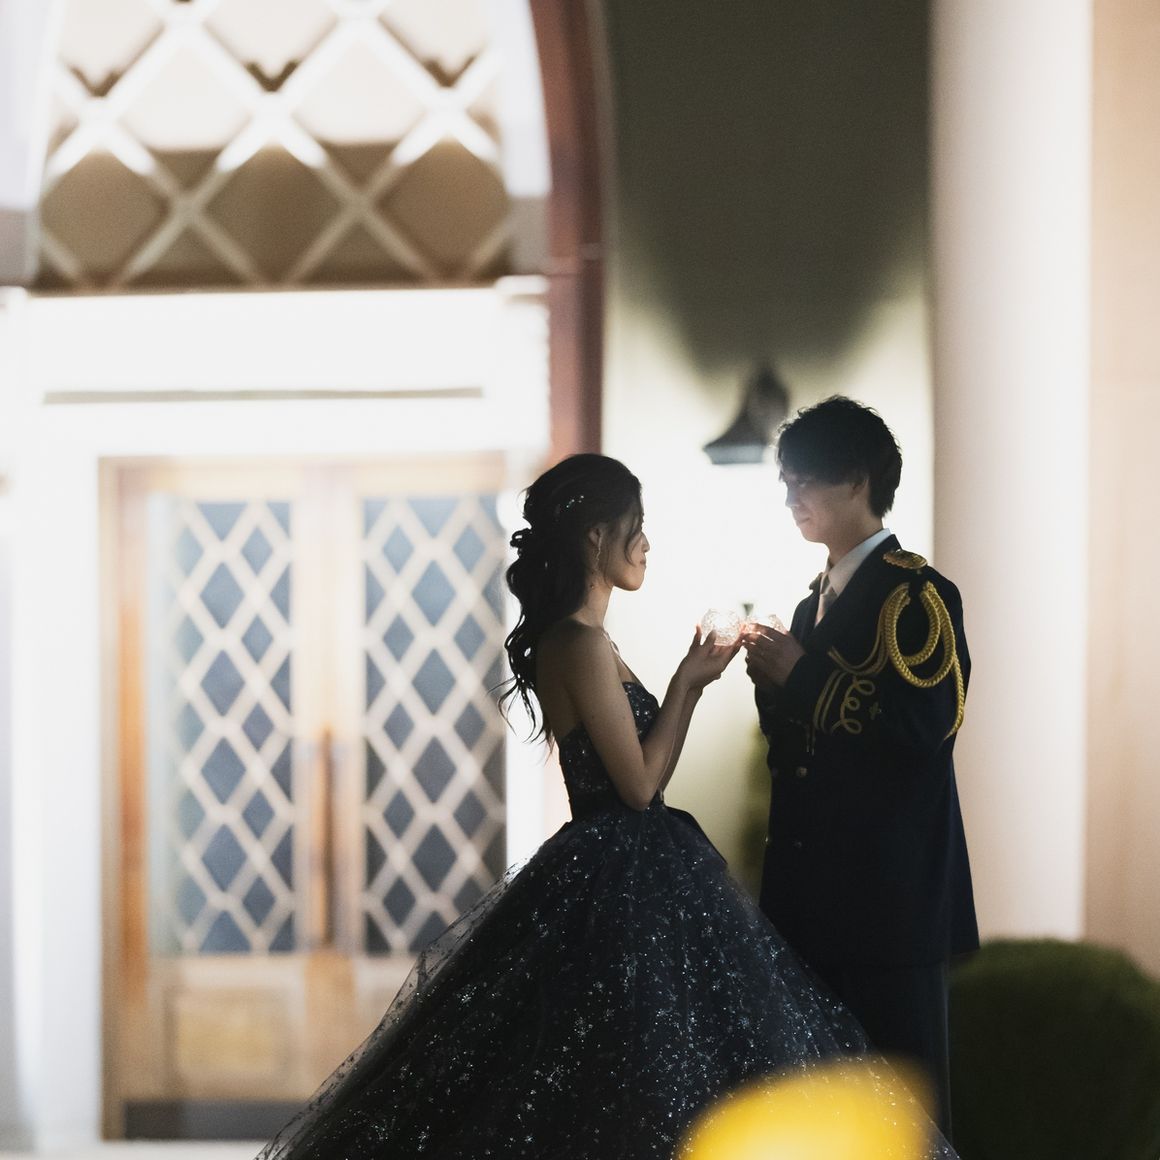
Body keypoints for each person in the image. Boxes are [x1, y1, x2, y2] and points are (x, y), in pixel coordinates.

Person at [255, 453, 956, 1160]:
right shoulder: (578, 641)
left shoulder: (590, 640)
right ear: (596, 537)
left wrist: (692, 682)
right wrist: (685, 682)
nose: (646, 543)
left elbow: (646, 771)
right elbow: (640, 786)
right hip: (619, 874)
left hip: (630, 866)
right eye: (635, 526)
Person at [742, 396, 978, 1137]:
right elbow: (800, 759)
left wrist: (800, 676)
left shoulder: (918, 597)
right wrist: (774, 683)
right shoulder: (810, 606)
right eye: (786, 482)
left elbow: (924, 730)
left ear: (855, 480)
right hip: (810, 906)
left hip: (890, 912)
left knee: (903, 1125)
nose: (791, 497)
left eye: (803, 480)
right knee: (817, 1123)